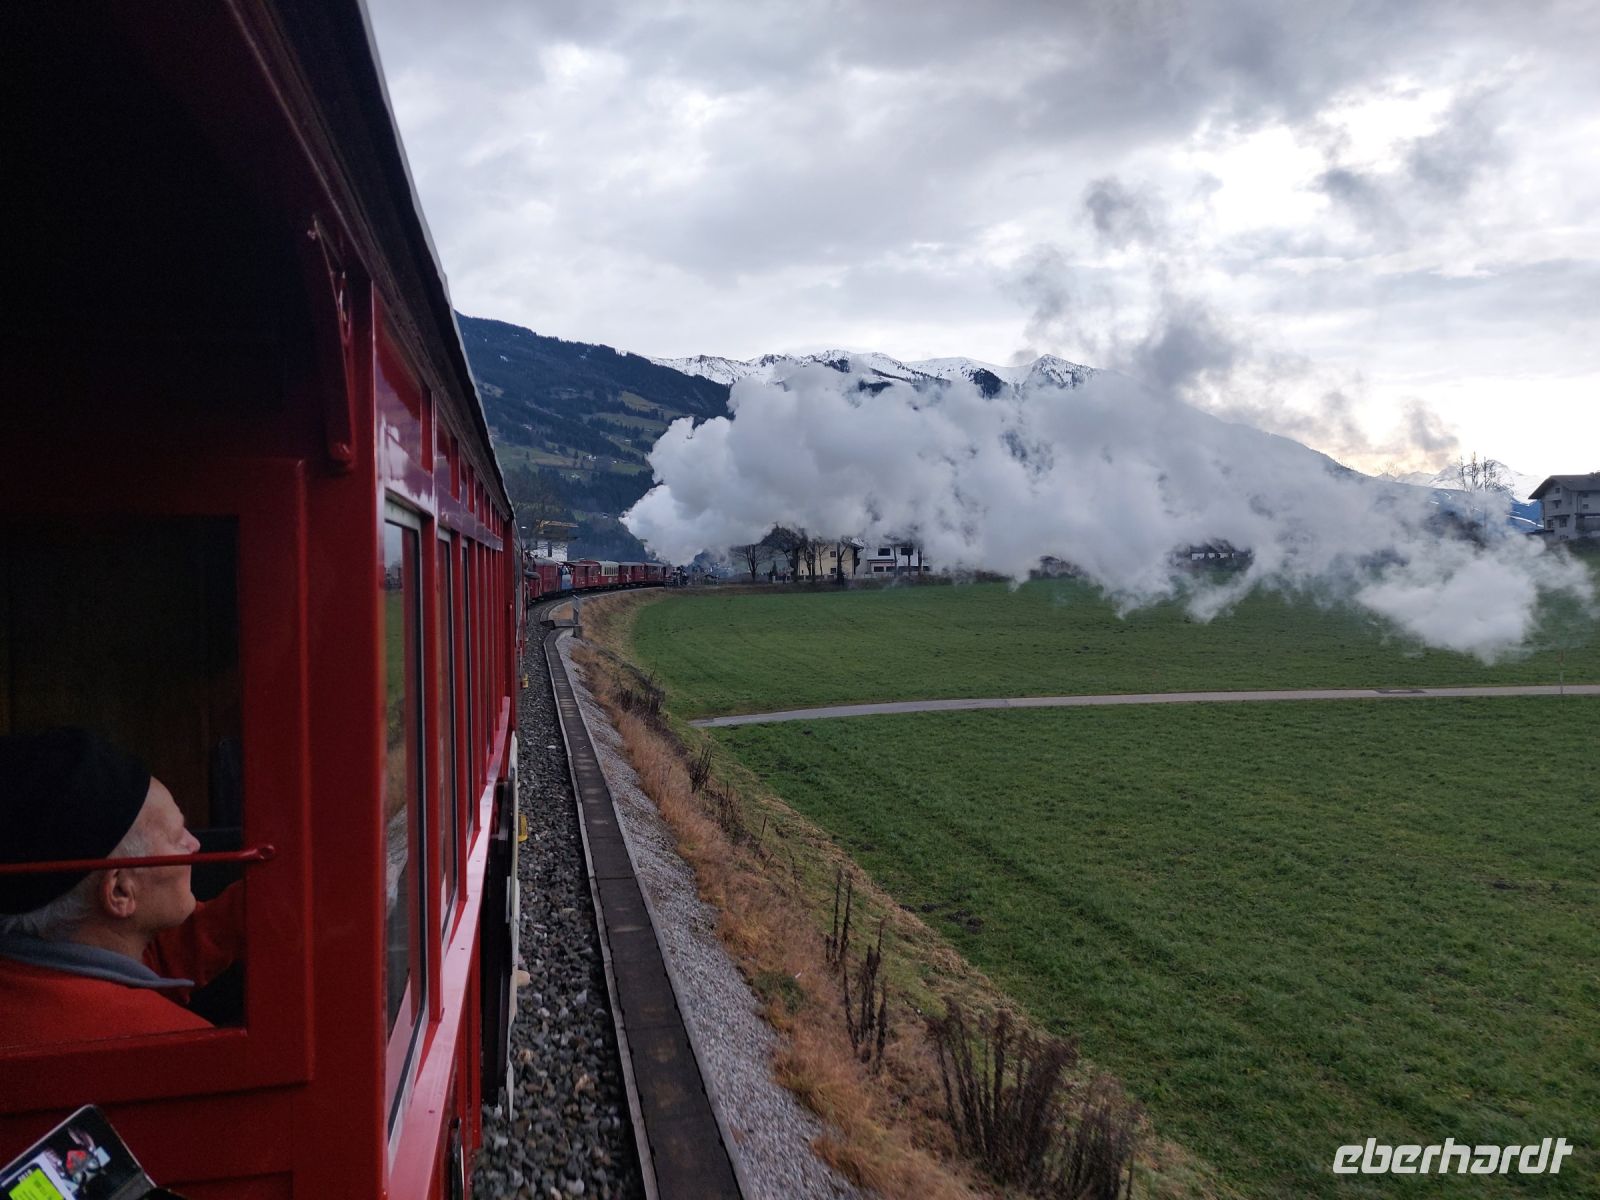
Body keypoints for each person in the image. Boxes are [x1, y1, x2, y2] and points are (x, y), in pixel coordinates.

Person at [0, 728, 243, 1048]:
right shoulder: (177, 1046)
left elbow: (153, 956)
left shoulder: (31, 966)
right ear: (119, 892)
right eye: (176, 838)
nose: (194, 844)